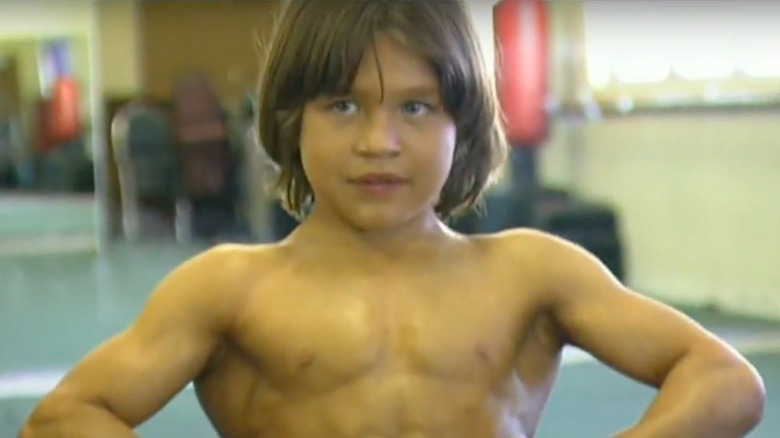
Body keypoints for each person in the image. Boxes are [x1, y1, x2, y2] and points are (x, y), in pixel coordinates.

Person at [20, 2, 765, 438]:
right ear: (292, 119)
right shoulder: (229, 288)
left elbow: (726, 381)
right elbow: (67, 416)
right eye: (343, 105)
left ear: (462, 127)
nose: (379, 141)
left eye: (416, 107)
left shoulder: (531, 272)